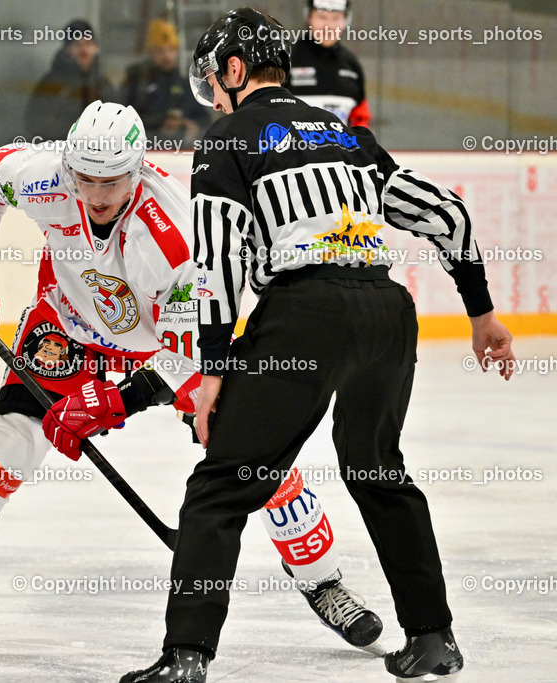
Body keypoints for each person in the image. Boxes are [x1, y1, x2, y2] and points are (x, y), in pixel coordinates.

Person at [0, 100, 383, 661]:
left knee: (252, 450)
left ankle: (323, 580)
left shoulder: (176, 237)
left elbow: (187, 353)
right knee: (9, 443)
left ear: (137, 170)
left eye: (110, 181)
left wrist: (116, 399)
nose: (94, 195)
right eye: (84, 179)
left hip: (165, 346)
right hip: (66, 324)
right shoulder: (45, 175)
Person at [124, 8, 515, 682]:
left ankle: (186, 656)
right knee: (378, 472)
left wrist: (213, 373)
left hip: (305, 315)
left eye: (214, 81)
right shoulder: (346, 134)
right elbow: (445, 212)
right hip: (387, 314)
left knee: (220, 487)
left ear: (236, 70)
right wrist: (481, 313)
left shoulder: (226, 139)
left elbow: (218, 264)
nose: (213, 97)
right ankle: (433, 637)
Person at [122, 19, 211, 147]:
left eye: (171, 49)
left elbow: (205, 120)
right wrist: (159, 124)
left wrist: (194, 127)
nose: (166, 55)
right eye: (159, 50)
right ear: (151, 52)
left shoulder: (186, 83)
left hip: (182, 150)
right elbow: (124, 121)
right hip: (146, 149)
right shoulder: (137, 82)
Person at [25, 19, 117, 141]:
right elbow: (36, 123)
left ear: (95, 47)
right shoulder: (52, 83)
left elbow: (117, 121)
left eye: (88, 44)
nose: (84, 50)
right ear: (67, 49)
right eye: (78, 45)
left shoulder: (103, 84)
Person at [286, 0, 371, 128]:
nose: (329, 26)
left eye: (336, 18)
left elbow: (360, 120)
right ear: (308, 17)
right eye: (321, 17)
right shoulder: (286, 60)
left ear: (346, 20)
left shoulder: (352, 66)